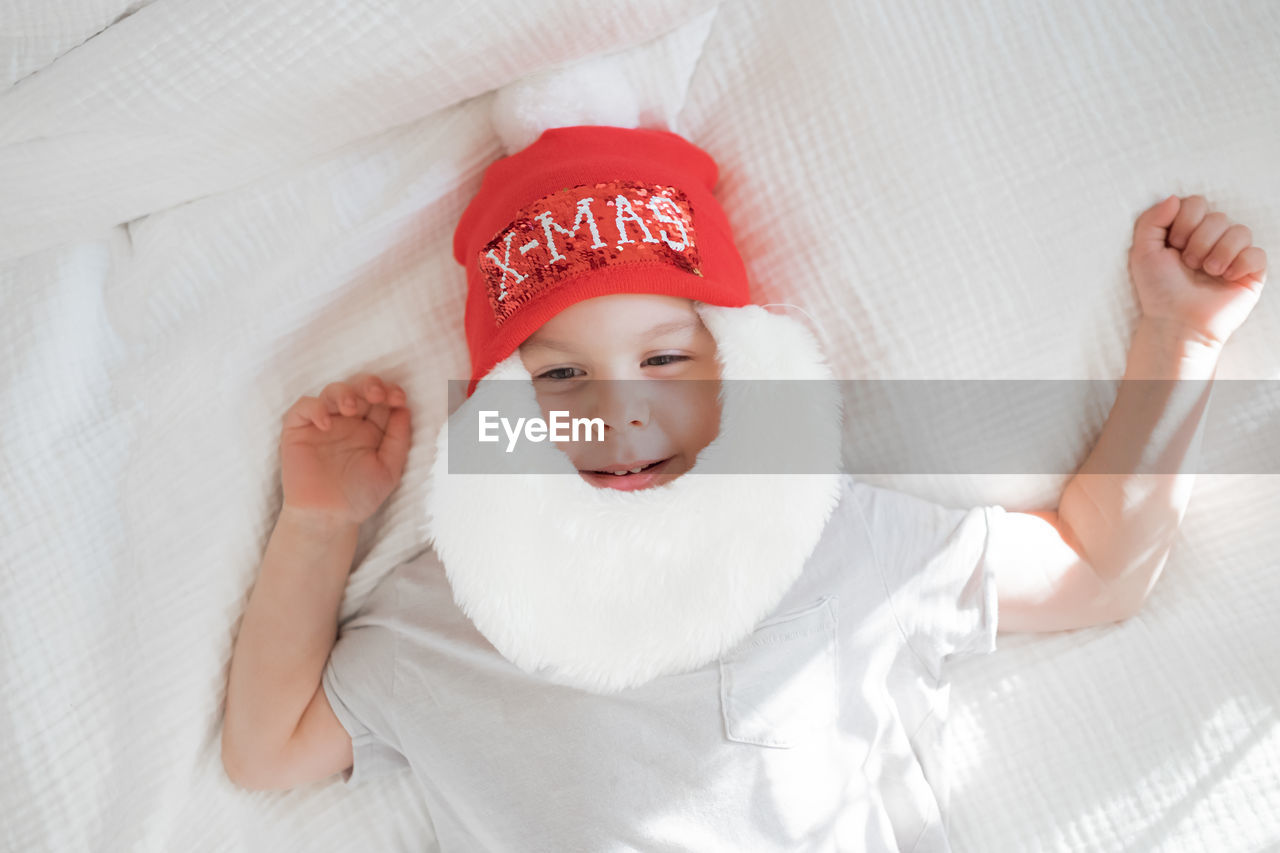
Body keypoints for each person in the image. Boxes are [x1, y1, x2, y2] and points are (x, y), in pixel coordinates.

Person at [221, 126, 1267, 851]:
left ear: (743, 364)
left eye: (668, 361)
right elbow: (270, 748)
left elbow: (1091, 568)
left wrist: (1175, 341)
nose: (623, 413)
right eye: (558, 376)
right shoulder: (451, 610)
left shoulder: (833, 541)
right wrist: (321, 522)